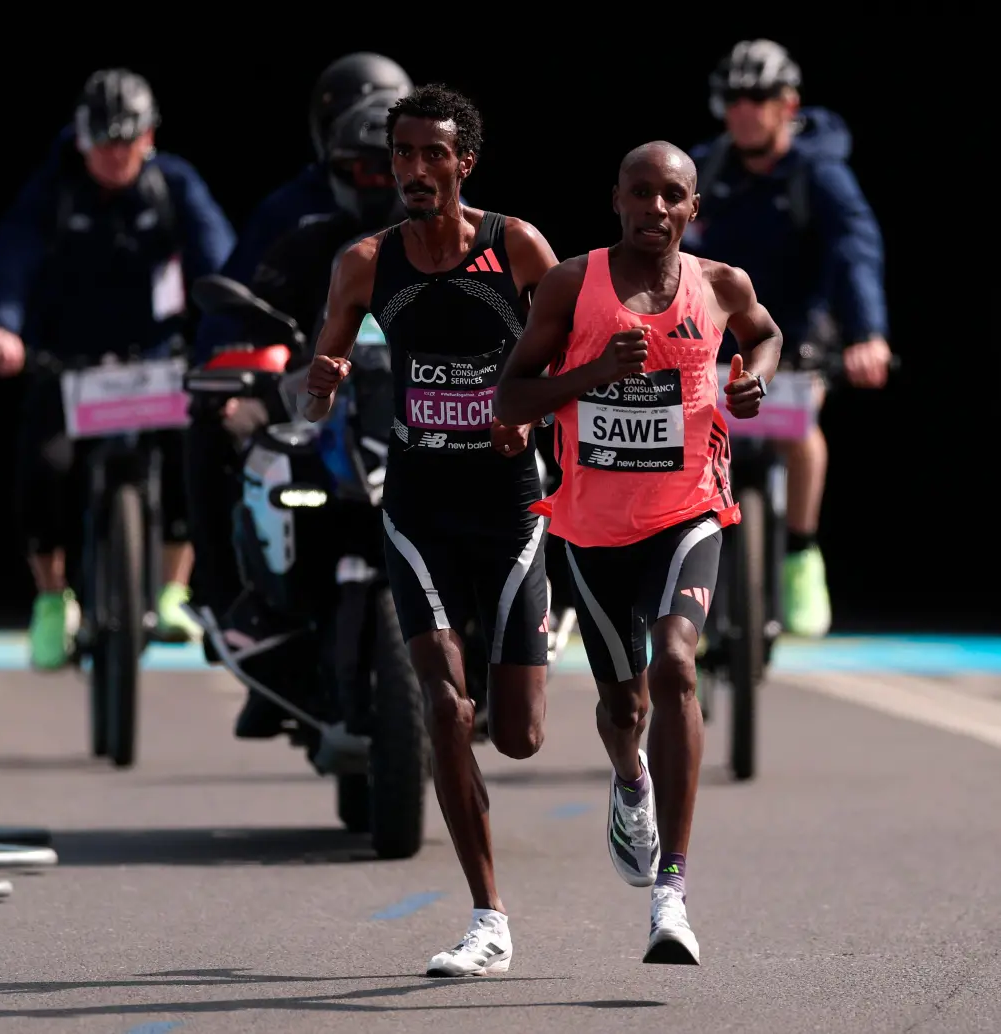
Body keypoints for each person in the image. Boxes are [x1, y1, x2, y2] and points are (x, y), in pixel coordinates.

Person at [494, 140, 783, 965]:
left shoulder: (721, 285)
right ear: (615, 199)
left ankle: (672, 892)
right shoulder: (568, 285)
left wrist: (749, 378)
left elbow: (764, 336)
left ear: (693, 209)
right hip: (590, 528)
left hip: (688, 511)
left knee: (677, 668)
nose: (656, 209)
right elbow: (511, 394)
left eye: (673, 196)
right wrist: (586, 375)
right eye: (641, 194)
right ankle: (630, 784)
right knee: (625, 709)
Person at [304, 83, 559, 977]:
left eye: (430, 155)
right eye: (401, 155)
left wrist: (529, 416)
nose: (413, 170)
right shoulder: (366, 263)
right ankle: (488, 916)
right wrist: (322, 380)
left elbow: (563, 355)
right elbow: (316, 373)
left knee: (520, 732)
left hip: (509, 505)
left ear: (463, 164)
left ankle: (546, 653)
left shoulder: (516, 246)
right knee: (445, 707)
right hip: (417, 506)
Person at [0, 67, 235, 669]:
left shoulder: (174, 184)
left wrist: (233, 328)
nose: (117, 157)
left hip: (157, 362)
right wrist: (1, 326)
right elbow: (14, 260)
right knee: (44, 464)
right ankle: (50, 598)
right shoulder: (54, 189)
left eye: (129, 143)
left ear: (149, 138)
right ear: (83, 140)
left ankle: (174, 589)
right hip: (69, 363)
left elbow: (219, 259)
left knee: (196, 450)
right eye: (105, 145)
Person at [183, 90, 410, 739]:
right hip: (314, 401)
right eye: (364, 168)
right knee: (225, 432)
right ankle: (244, 603)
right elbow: (238, 309)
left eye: (392, 167)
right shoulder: (301, 230)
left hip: (427, 406)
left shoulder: (462, 237)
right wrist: (234, 374)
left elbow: (517, 317)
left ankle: (520, 613)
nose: (381, 183)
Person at [683, 38, 892, 638]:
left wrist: (867, 333)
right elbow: (667, 253)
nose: (744, 109)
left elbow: (856, 250)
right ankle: (682, 583)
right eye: (733, 98)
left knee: (799, 434)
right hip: (718, 340)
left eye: (758, 97)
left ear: (787, 103)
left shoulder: (819, 173)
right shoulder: (708, 169)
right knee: (683, 443)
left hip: (798, 338)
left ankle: (801, 553)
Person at [189, 51, 414, 367]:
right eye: (356, 165)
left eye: (389, 163)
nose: (375, 183)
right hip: (316, 387)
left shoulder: (442, 211)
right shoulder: (292, 215)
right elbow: (237, 316)